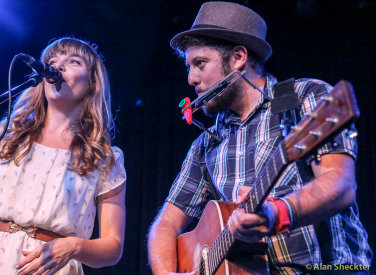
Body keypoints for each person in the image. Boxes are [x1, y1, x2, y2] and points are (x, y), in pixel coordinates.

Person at [148, 2, 372, 274]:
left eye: (200, 64)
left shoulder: (305, 98)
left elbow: (341, 185)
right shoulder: (207, 143)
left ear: (238, 57)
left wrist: (278, 213)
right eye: (189, 66)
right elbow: (166, 224)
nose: (191, 79)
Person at [0, 37, 126, 274]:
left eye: (73, 61)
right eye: (52, 61)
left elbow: (113, 246)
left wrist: (74, 246)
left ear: (92, 83)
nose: (58, 66)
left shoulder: (104, 158)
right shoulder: (5, 137)